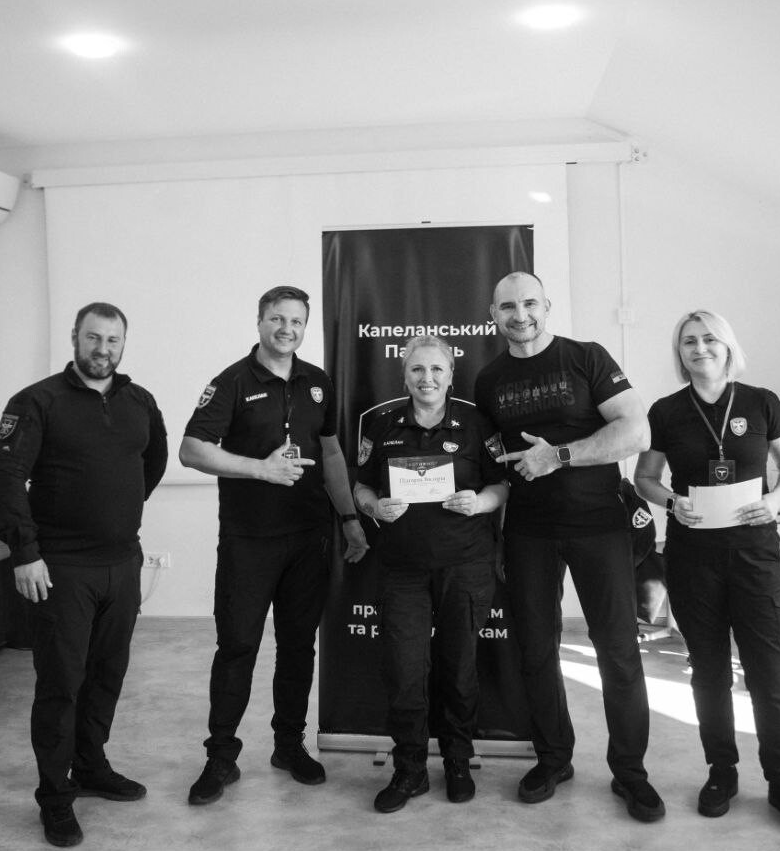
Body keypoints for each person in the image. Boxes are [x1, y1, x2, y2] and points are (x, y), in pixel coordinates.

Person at [474, 271, 665, 822]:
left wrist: (558, 455)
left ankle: (630, 772)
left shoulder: (586, 357)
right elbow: (495, 466)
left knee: (617, 651)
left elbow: (636, 432)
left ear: (547, 305)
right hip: (528, 532)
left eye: (530, 303)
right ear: (493, 314)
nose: (520, 315)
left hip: (600, 526)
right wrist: (496, 537)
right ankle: (553, 758)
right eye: (507, 306)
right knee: (535, 651)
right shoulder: (488, 380)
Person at [0, 302, 168, 848]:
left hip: (122, 562)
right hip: (60, 569)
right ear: (75, 338)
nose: (103, 349)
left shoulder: (140, 401)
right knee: (61, 683)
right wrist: (25, 553)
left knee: (107, 674)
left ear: (123, 344)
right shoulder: (37, 402)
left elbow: (153, 464)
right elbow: (6, 478)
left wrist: (117, 515)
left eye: (113, 340)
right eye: (93, 338)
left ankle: (91, 766)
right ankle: (54, 795)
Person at [180, 285, 368, 806]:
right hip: (249, 542)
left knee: (298, 647)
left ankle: (289, 745)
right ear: (260, 321)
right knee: (237, 647)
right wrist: (260, 469)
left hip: (308, 538)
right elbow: (192, 450)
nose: (287, 329)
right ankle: (221, 757)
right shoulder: (232, 382)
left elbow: (332, 454)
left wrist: (349, 518)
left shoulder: (318, 382)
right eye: (277, 319)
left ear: (305, 327)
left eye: (296, 321)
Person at [634, 309, 780, 833]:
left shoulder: (761, 401)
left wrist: (775, 501)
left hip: (755, 555)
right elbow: (646, 477)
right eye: (689, 341)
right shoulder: (666, 411)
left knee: (768, 671)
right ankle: (722, 772)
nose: (700, 348)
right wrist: (672, 502)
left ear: (728, 345)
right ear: (680, 353)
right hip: (693, 558)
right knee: (708, 671)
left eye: (709, 338)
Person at [353, 335, 508, 812]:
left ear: (451, 376)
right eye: (417, 370)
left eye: (437, 369)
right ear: (404, 376)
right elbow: (360, 486)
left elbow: (502, 484)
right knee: (405, 671)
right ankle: (410, 769)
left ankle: (458, 761)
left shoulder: (477, 423)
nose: (427, 378)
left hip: (465, 564)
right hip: (401, 569)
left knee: (459, 668)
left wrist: (480, 502)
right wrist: (374, 506)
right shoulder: (381, 425)